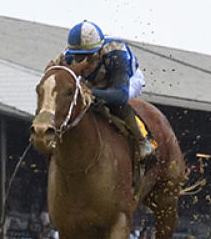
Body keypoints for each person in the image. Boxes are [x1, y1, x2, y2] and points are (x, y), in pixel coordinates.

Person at [63, 21, 154, 162]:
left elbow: (121, 95)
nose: (86, 63)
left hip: (127, 80)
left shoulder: (116, 52)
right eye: (80, 58)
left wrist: (92, 93)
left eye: (90, 56)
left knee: (115, 104)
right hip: (95, 82)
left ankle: (142, 140)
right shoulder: (67, 57)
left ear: (100, 50)